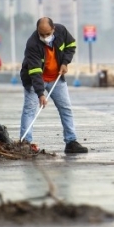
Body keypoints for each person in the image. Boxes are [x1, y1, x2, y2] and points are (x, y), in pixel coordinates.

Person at [19, 17, 88, 154]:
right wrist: (40, 94)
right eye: (41, 34)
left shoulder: (62, 31)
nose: (45, 37)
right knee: (30, 109)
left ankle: (71, 142)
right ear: (37, 31)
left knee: (66, 108)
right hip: (35, 80)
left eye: (47, 34)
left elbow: (71, 46)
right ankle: (25, 143)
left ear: (53, 29)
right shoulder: (32, 44)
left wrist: (65, 62)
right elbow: (35, 71)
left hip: (56, 78)